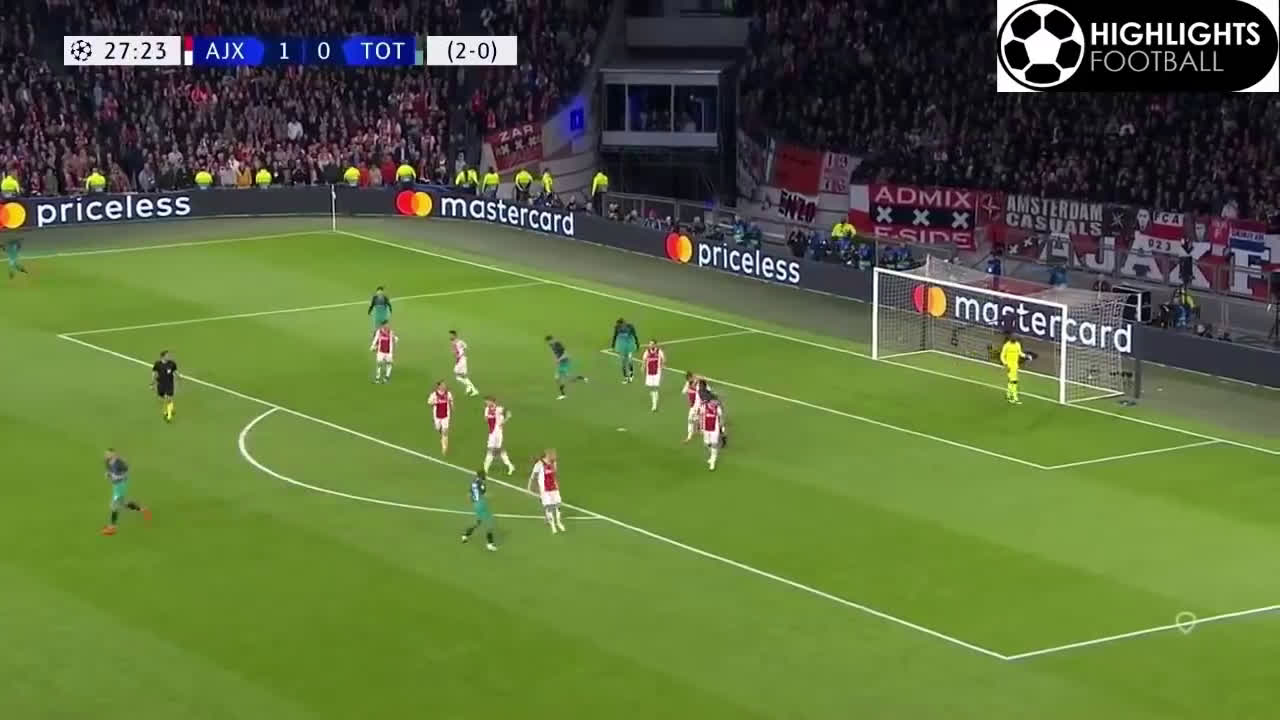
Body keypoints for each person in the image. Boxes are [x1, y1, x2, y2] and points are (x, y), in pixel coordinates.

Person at [101, 449, 150, 535]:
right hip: (115, 486)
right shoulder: (107, 461)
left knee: (114, 505)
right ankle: (143, 510)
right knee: (123, 503)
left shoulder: (120, 463)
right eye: (106, 454)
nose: (106, 455)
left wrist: (117, 477)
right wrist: (108, 474)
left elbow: (126, 472)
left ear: (114, 454)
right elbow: (109, 471)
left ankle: (112, 528)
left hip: (120, 486)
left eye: (108, 454)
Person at [528, 449, 566, 534]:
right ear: (547, 455)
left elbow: (554, 474)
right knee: (549, 507)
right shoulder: (539, 464)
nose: (554, 457)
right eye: (553, 455)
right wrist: (529, 486)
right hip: (545, 490)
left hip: (554, 488)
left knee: (558, 505)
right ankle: (553, 525)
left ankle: (559, 522)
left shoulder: (553, 463)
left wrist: (556, 483)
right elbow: (533, 475)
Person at [460, 469, 498, 551]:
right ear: (481, 476)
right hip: (481, 504)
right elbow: (483, 494)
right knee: (489, 524)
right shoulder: (481, 483)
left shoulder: (473, 482)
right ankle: (490, 544)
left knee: (478, 522)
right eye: (484, 475)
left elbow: (469, 494)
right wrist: (491, 496)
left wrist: (475, 502)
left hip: (476, 504)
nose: (485, 477)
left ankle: (465, 535)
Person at [546, 335, 588, 399]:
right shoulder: (551, 345)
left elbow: (566, 354)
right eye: (548, 342)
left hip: (565, 362)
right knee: (557, 378)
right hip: (560, 363)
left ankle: (582, 378)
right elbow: (554, 353)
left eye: (549, 341)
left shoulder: (558, 344)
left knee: (569, 377)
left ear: (552, 340)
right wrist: (556, 359)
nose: (549, 343)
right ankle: (563, 394)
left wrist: (559, 360)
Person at [482, 397, 517, 475]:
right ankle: (486, 468)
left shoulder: (499, 409)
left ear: (492, 401)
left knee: (497, 450)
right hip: (492, 433)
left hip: (498, 433)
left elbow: (509, 414)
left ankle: (510, 466)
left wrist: (503, 422)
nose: (486, 403)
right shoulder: (487, 409)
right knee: (492, 450)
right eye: (486, 402)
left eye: (488, 401)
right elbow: (486, 419)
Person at [449, 330, 479, 396]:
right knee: (463, 376)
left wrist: (459, 355)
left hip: (461, 360)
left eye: (451, 335)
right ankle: (472, 389)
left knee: (457, 375)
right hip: (462, 359)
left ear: (455, 335)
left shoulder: (456, 343)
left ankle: (471, 388)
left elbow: (459, 351)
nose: (450, 336)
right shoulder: (459, 342)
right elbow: (465, 347)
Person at [151, 350, 178, 423]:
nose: (169, 356)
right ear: (162, 357)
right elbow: (154, 373)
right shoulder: (157, 364)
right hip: (161, 384)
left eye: (169, 355)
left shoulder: (172, 363)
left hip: (169, 384)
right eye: (167, 355)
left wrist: (179, 376)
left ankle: (169, 416)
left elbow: (175, 371)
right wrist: (152, 383)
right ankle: (170, 409)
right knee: (162, 399)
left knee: (168, 398)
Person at [999, 330, 1026, 405]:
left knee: (1011, 381)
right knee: (1014, 381)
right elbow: (1002, 355)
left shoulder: (1017, 344)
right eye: (1014, 338)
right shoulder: (1007, 345)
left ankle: (1008, 395)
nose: (1015, 339)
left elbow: (1020, 353)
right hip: (1009, 366)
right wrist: (1005, 363)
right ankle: (1015, 398)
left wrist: (1026, 356)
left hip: (1015, 365)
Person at [610, 317, 639, 383]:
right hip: (622, 347)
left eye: (619, 324)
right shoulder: (617, 328)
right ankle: (625, 377)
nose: (619, 326)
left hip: (629, 346)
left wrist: (637, 344)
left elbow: (635, 335)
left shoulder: (630, 327)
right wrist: (613, 345)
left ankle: (631, 375)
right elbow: (615, 336)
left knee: (630, 360)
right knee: (623, 362)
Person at [702, 393, 726, 470]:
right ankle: (712, 455)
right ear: (710, 401)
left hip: (714, 429)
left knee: (714, 444)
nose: (716, 402)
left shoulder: (717, 408)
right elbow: (701, 416)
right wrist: (700, 427)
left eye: (717, 401)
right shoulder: (704, 407)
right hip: (706, 429)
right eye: (715, 401)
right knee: (707, 443)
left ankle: (713, 461)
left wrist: (722, 427)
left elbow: (721, 418)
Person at [429, 381, 454, 455]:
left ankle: (444, 447)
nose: (444, 386)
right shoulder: (434, 394)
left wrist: (452, 405)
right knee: (438, 428)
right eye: (442, 385)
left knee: (445, 431)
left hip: (446, 415)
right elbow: (429, 402)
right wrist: (435, 402)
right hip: (437, 416)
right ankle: (441, 433)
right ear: (439, 386)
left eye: (444, 385)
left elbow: (451, 399)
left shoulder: (448, 393)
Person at [681, 371, 706, 442]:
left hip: (698, 406)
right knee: (692, 419)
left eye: (690, 378)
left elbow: (704, 379)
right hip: (692, 407)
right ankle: (692, 434)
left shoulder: (698, 388)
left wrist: (696, 377)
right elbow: (683, 392)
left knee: (693, 419)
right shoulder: (688, 385)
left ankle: (700, 429)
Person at [641, 340, 665, 412]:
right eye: (649, 344)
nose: (650, 345)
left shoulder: (659, 351)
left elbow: (663, 358)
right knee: (651, 387)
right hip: (649, 372)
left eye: (652, 344)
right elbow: (644, 360)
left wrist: (662, 364)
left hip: (657, 372)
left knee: (655, 387)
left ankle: (654, 405)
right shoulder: (647, 352)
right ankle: (655, 395)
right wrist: (643, 367)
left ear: (655, 345)